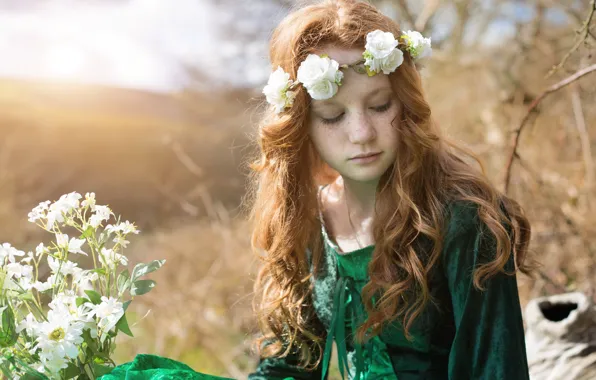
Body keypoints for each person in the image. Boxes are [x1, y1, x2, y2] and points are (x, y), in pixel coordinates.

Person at [245, 0, 536, 379]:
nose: (362, 134)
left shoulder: (466, 218)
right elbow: (291, 368)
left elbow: (495, 370)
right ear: (303, 127)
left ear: (406, 103)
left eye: (380, 106)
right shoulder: (308, 222)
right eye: (333, 115)